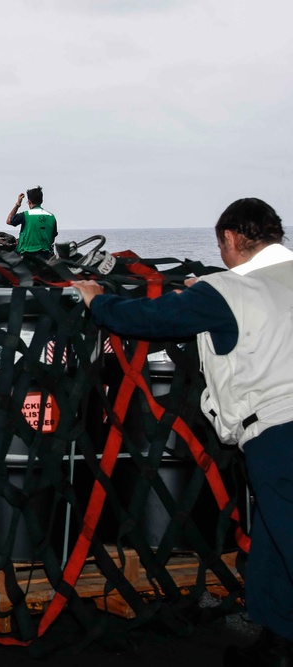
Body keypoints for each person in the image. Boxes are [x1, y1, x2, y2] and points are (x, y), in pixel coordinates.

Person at [74, 198, 293, 667]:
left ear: (231, 239)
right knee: (275, 539)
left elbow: (148, 321)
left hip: (280, 435)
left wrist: (97, 300)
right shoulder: (246, 285)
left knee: (288, 536)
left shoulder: (227, 291)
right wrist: (205, 292)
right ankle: (278, 643)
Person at [6, 186, 57, 258]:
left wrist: (18, 204)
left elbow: (8, 221)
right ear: (41, 201)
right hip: (46, 256)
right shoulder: (52, 217)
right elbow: (52, 240)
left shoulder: (25, 215)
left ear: (29, 201)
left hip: (26, 256)